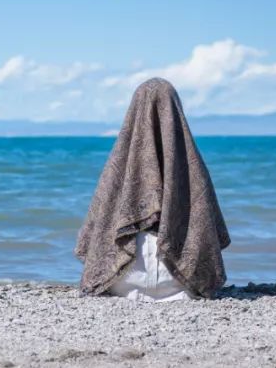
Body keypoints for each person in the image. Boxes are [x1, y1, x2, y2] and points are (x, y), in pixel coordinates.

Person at [74, 78, 230, 301]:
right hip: (179, 282)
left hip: (124, 279)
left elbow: (96, 227)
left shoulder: (119, 162)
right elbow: (209, 227)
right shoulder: (191, 164)